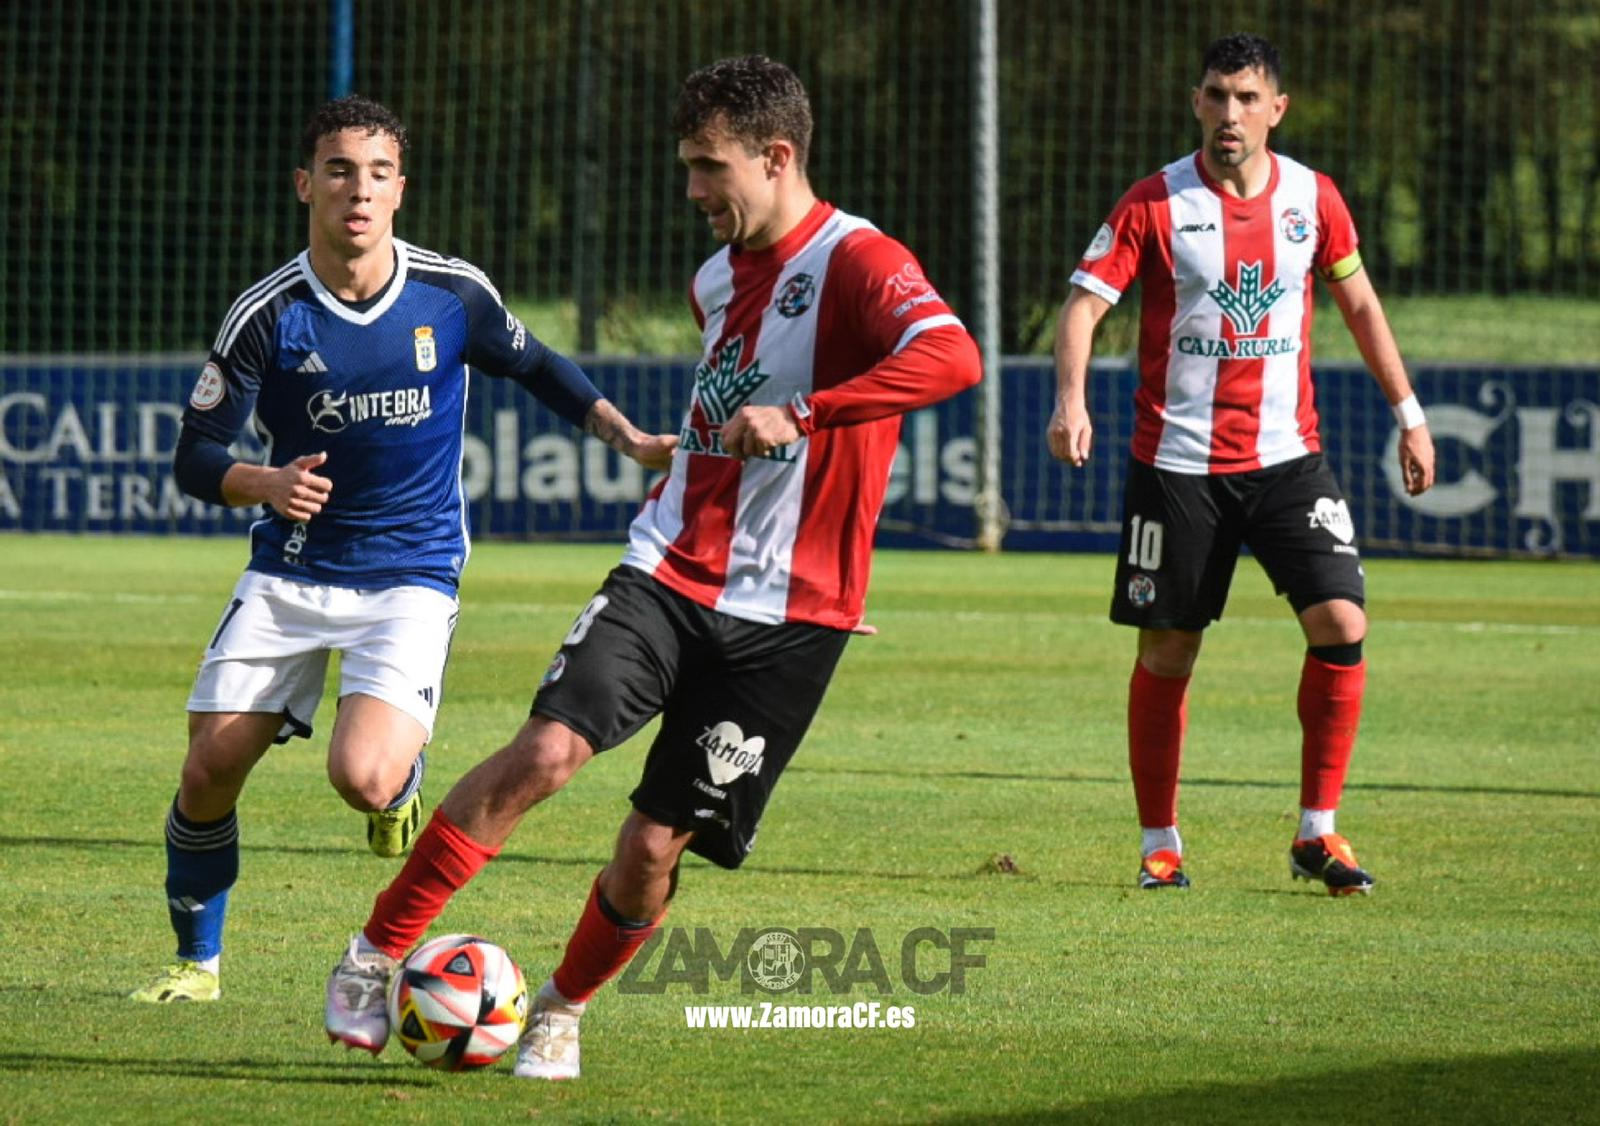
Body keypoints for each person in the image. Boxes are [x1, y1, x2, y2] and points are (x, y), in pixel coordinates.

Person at [322, 55, 982, 1076]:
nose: (692, 191)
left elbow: (953, 358)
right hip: (669, 568)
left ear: (776, 156)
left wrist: (807, 414)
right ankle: (373, 953)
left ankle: (560, 1007)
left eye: (708, 166)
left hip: (795, 615)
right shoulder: (715, 275)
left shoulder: (857, 258)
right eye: (686, 166)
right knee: (544, 753)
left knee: (649, 849)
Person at [129, 95, 674, 1004]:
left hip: (410, 573)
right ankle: (198, 964)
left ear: (400, 192)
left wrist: (629, 440)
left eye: (379, 173)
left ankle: (400, 782)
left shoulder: (450, 294)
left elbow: (539, 365)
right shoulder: (266, 314)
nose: (360, 190)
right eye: (340, 170)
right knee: (209, 770)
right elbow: (195, 453)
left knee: (364, 776)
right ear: (306, 184)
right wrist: (260, 483)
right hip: (291, 568)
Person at [1047, 33, 1435, 896]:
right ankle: (1161, 844)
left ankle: (1317, 834)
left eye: (1248, 98)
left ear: (1276, 110)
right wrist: (1070, 401)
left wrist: (1410, 416)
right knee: (1171, 648)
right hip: (1177, 468)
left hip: (1288, 458)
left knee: (1342, 621)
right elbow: (1083, 307)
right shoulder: (1154, 202)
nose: (1231, 114)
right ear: (1197, 103)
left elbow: (1361, 303)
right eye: (1217, 96)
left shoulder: (1313, 197)